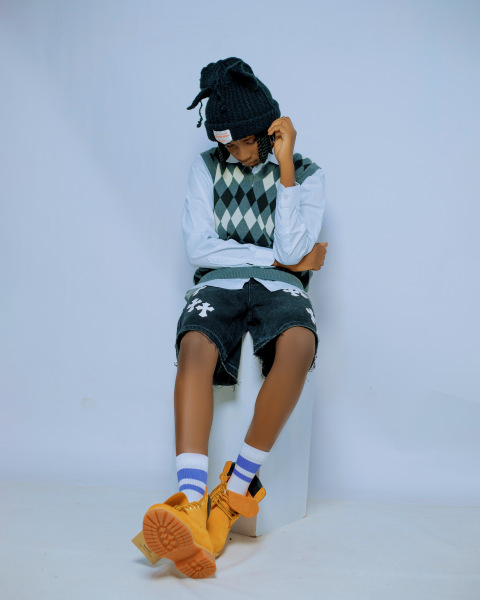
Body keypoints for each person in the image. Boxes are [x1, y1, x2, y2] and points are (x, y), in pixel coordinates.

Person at [141, 57, 327, 579]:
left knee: (298, 343)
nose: (239, 154)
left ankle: (237, 487)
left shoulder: (307, 176)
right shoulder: (205, 167)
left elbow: (293, 246)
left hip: (280, 289)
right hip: (220, 283)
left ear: (271, 130)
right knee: (195, 343)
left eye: (247, 142)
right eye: (229, 144)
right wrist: (285, 260)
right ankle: (190, 502)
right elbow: (199, 248)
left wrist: (284, 173)